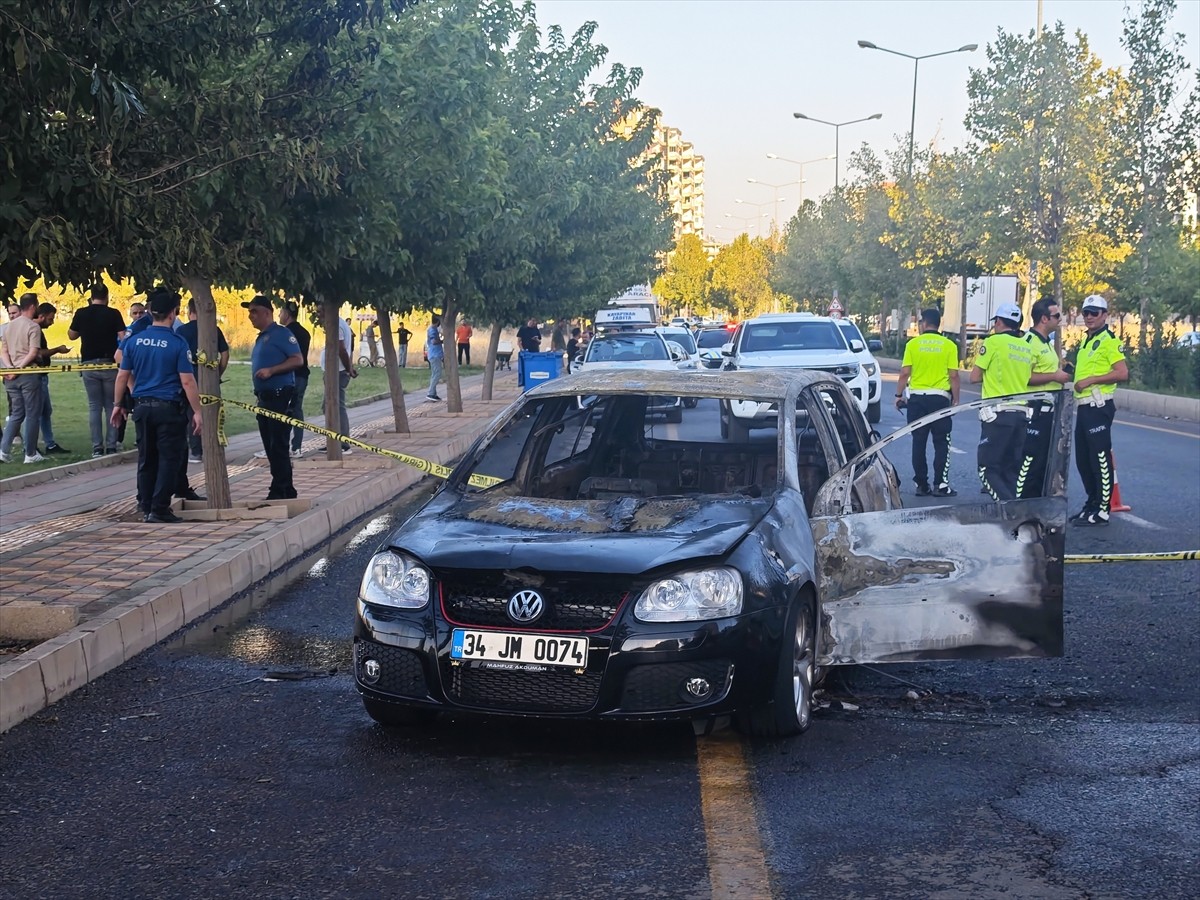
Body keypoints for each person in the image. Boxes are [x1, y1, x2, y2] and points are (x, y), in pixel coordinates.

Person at [110, 288, 202, 523]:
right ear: (172, 314)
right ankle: (160, 508)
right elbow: (187, 381)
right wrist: (198, 411)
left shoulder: (134, 341)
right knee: (169, 458)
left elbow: (122, 375)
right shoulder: (177, 342)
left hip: (142, 407)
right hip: (168, 408)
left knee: (147, 457)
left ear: (151, 312)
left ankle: (145, 504)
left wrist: (118, 403)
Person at [1069, 295, 1129, 526]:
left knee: (1099, 458)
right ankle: (1091, 504)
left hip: (1099, 405)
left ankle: (1103, 509)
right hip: (1084, 407)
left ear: (1105, 315)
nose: (1089, 317)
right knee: (1083, 460)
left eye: (1094, 313)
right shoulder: (1087, 340)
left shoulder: (1108, 340)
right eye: (1086, 312)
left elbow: (1122, 372)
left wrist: (1092, 380)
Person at [969, 302, 1035, 501]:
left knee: (987, 470)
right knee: (1010, 471)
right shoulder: (1027, 347)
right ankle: (1016, 512)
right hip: (1021, 415)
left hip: (998, 415)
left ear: (998, 321)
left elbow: (974, 377)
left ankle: (1010, 509)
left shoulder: (993, 342)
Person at [244, 295, 304, 499]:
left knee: (278, 445)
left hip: (279, 396)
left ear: (267, 313)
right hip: (265, 398)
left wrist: (271, 371)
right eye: (249, 312)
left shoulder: (281, 334)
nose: (250, 316)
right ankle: (283, 487)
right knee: (270, 446)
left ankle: (281, 488)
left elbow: (297, 360)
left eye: (254, 311)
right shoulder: (262, 336)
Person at [895, 308, 960, 496]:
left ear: (923, 323)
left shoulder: (913, 345)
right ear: (938, 324)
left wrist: (898, 395)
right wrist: (956, 399)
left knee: (919, 442)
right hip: (940, 400)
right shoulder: (949, 346)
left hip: (917, 401)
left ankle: (922, 485)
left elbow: (905, 373)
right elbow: (954, 376)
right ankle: (940, 485)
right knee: (942, 443)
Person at [1017, 298, 1072, 499]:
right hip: (1036, 410)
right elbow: (1024, 377)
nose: (1060, 319)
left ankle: (1036, 505)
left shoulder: (1046, 343)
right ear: (1044, 318)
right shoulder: (1028, 343)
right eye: (1056, 315)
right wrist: (1054, 376)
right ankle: (1021, 504)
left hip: (1051, 411)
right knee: (1030, 462)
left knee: (1043, 463)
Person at [69, 282, 126, 457]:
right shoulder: (113, 313)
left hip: (88, 363)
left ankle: (97, 447)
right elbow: (123, 337)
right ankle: (112, 445)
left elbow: (71, 335)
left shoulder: (81, 313)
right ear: (107, 297)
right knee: (111, 405)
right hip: (109, 363)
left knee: (94, 406)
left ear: (91, 296)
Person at [176, 300, 229, 464]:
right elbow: (225, 354)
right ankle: (213, 449)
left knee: (191, 412)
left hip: (189, 376)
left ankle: (196, 451)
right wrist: (218, 373)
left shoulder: (181, 331)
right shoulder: (214, 329)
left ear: (189, 311)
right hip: (209, 377)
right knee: (212, 412)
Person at [0, 294, 46, 464]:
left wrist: (10, 368)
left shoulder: (8, 327)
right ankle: (30, 453)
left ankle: (3, 451)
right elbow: (33, 352)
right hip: (28, 374)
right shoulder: (33, 327)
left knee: (16, 414)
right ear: (33, 306)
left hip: (10, 376)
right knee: (32, 414)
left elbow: (3, 351)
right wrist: (20, 368)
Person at [32, 302, 70, 455]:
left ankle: (50, 444)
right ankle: (31, 446)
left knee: (46, 411)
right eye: (50, 319)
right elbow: (38, 353)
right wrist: (58, 349)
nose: (52, 322)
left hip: (43, 375)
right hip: (37, 376)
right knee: (35, 412)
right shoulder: (34, 330)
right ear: (41, 316)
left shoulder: (38, 330)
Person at [321, 313, 357, 453]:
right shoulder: (340, 324)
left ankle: (343, 443)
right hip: (335, 370)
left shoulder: (336, 325)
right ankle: (334, 440)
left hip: (338, 371)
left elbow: (341, 349)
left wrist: (348, 368)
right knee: (328, 406)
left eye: (319, 311)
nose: (318, 315)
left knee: (335, 406)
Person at [278, 301, 310, 458]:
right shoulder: (305, 333)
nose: (279, 315)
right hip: (302, 375)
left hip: (289, 376)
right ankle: (296, 446)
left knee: (282, 410)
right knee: (296, 409)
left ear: (287, 314)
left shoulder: (285, 333)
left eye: (280, 312)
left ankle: (280, 445)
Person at [426, 314, 444, 401]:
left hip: (435, 355)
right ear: (438, 321)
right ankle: (430, 393)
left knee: (434, 374)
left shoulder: (433, 329)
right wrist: (442, 341)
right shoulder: (432, 330)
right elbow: (433, 341)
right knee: (437, 374)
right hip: (435, 355)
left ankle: (433, 393)